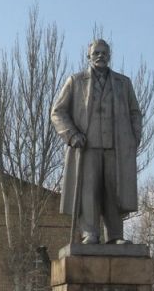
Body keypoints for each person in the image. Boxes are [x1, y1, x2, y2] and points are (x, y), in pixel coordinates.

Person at [51, 39, 142, 245]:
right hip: (87, 148)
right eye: (96, 53)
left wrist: (133, 139)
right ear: (88, 56)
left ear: (109, 56)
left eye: (104, 53)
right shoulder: (76, 81)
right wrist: (72, 134)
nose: (100, 56)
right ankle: (90, 232)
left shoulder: (123, 83)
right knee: (88, 190)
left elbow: (135, 113)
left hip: (116, 147)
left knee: (114, 191)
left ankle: (116, 235)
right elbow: (57, 112)